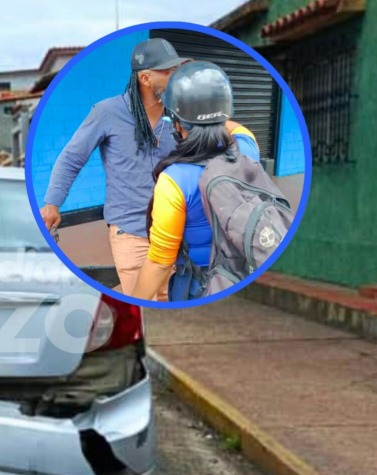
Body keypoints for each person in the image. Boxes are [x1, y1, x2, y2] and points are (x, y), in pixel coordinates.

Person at [41, 38, 191, 299]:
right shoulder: (108, 112)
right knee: (140, 304)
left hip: (175, 230)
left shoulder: (179, 114)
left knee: (170, 301)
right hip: (130, 232)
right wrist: (53, 203)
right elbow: (71, 159)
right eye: (169, 72)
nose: (176, 77)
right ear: (145, 78)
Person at [130, 61, 261, 302]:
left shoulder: (175, 180)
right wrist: (213, 119)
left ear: (177, 122)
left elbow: (160, 262)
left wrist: (132, 303)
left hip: (199, 289)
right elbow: (236, 128)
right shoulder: (248, 149)